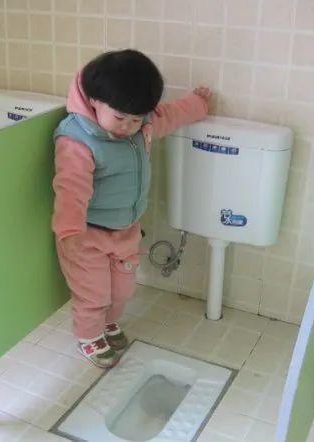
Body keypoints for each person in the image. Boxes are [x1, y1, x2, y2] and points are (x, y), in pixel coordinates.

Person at [52, 49, 211, 368]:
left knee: (123, 289)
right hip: (87, 236)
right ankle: (89, 336)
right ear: (94, 100)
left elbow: (170, 115)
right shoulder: (77, 141)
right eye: (120, 118)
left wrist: (198, 104)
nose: (128, 126)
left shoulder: (143, 126)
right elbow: (70, 190)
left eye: (136, 118)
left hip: (126, 231)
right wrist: (69, 232)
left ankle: (108, 323)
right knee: (93, 294)